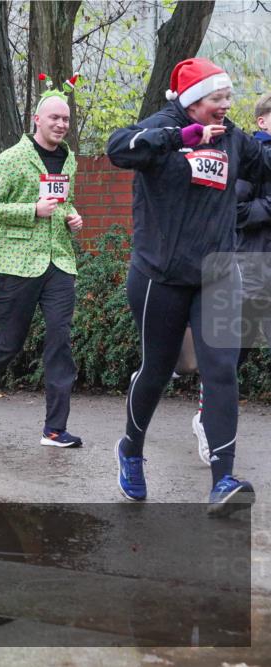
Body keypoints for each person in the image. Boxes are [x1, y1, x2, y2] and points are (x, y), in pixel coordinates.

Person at [107, 58, 271, 516]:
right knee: (157, 369)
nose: (226, 106)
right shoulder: (164, 128)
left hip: (217, 272)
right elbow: (119, 148)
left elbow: (265, 166)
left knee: (221, 370)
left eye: (228, 98)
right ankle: (131, 449)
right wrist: (181, 138)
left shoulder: (234, 138)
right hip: (161, 275)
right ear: (194, 100)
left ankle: (223, 480)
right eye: (218, 99)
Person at [0, 76, 85, 448]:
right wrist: (33, 209)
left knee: (60, 340)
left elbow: (64, 203)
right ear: (37, 119)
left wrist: (72, 216)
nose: (62, 124)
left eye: (66, 119)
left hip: (59, 261)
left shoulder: (69, 159)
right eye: (55, 118)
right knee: (10, 341)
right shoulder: (11, 159)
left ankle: (54, 429)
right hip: (17, 262)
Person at [193, 92, 271, 465]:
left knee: (242, 351)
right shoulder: (251, 157)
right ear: (262, 122)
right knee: (228, 353)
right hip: (248, 262)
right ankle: (209, 424)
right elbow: (234, 209)